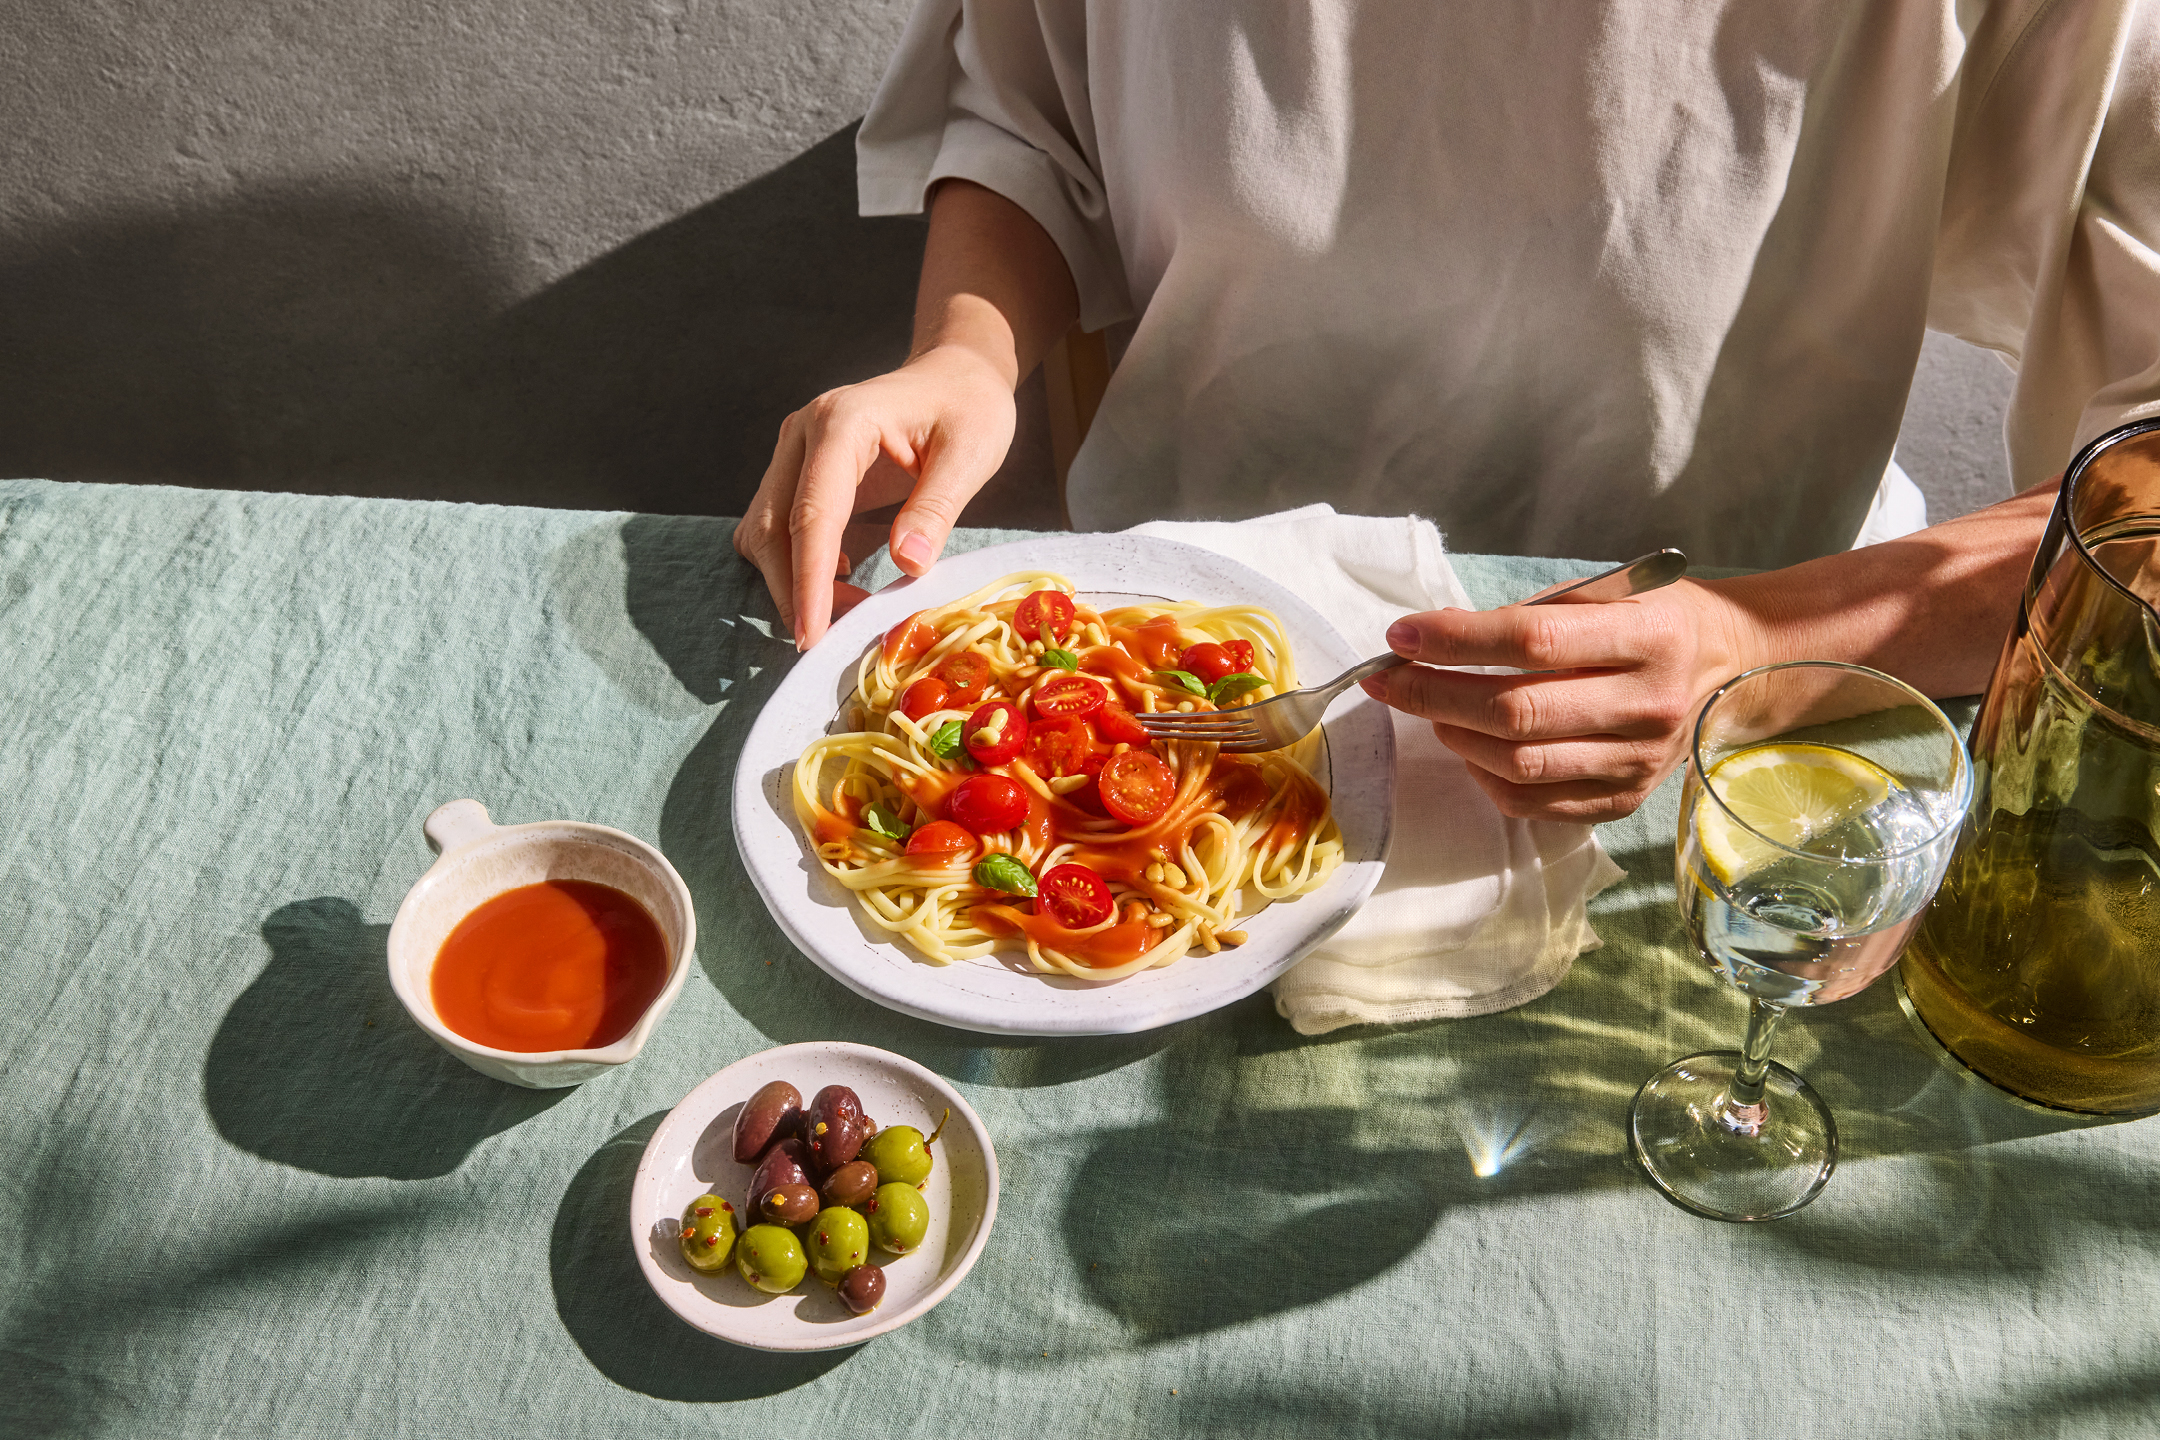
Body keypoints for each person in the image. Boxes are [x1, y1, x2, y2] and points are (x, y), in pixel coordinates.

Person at [734, 0, 2160, 822]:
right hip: (1175, 689)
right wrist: (967, 359)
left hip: (1738, 759)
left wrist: (1763, 645)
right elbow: (1027, 107)